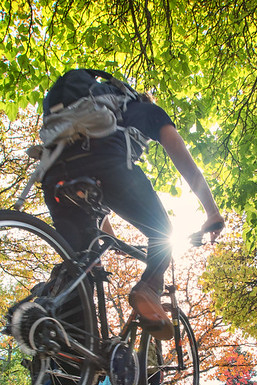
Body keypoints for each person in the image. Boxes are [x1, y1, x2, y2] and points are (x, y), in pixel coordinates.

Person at [40, 70, 225, 340]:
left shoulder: (83, 111)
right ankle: (148, 289)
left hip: (54, 173)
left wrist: (110, 239)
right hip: (107, 163)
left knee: (80, 270)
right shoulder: (143, 109)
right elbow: (183, 158)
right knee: (162, 232)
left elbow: (98, 206)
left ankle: (69, 357)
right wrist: (212, 211)